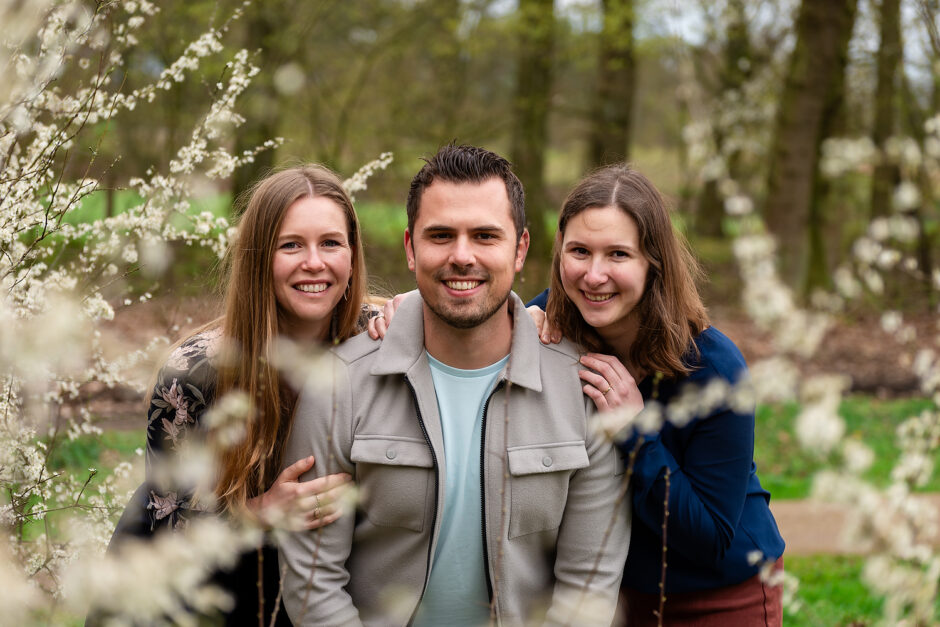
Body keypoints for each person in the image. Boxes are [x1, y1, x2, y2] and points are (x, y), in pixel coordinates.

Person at [278, 144, 630, 626]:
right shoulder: (340, 384)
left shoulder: (583, 391)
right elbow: (312, 583)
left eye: (485, 236)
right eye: (441, 235)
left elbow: (588, 586)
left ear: (520, 249)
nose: (462, 257)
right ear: (410, 248)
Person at [106, 164, 370, 625]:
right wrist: (257, 512)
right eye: (291, 245)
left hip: (322, 592)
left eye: (331, 242)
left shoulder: (380, 339)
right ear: (257, 257)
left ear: (352, 253)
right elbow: (169, 531)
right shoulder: (193, 375)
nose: (314, 262)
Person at [526, 163, 785, 626]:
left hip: (716, 596)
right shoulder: (551, 321)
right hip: (610, 597)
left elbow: (709, 539)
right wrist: (399, 312)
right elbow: (472, 316)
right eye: (579, 251)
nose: (594, 275)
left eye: (619, 255)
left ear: (654, 263)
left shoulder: (714, 369)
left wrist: (635, 432)